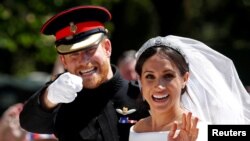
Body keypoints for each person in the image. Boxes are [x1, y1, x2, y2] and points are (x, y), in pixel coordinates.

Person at [19, 5, 149, 141]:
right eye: (73, 55)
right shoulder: (62, 101)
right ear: (63, 60)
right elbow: (28, 122)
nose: (83, 61)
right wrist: (49, 96)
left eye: (90, 50)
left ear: (107, 48)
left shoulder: (142, 95)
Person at [129, 35, 250, 141]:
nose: (159, 86)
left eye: (168, 76)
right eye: (150, 76)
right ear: (140, 80)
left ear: (185, 79)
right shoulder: (136, 129)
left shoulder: (201, 131)